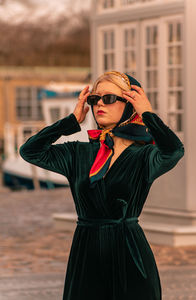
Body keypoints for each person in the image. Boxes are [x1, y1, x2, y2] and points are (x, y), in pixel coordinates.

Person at [19, 71, 184, 300]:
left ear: (129, 104)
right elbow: (30, 151)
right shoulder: (78, 153)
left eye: (108, 98)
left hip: (130, 255)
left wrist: (148, 113)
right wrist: (70, 122)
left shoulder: (145, 156)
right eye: (94, 99)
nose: (99, 105)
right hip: (86, 255)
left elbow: (175, 150)